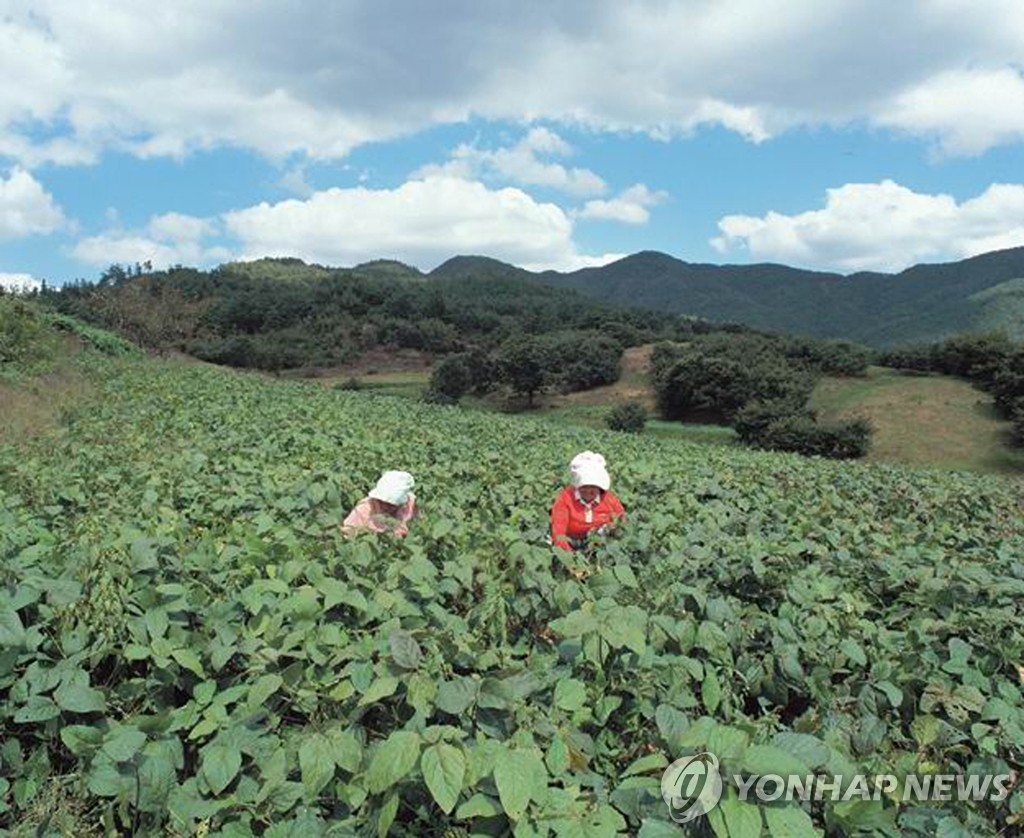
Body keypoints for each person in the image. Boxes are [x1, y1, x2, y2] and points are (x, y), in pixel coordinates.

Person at [550, 451, 625, 551]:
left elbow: (622, 519)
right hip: (571, 541)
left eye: (593, 487)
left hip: (600, 542)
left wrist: (612, 527)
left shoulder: (609, 498)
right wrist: (570, 560)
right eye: (584, 486)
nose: (588, 491)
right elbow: (559, 533)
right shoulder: (565, 498)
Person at [341, 470, 417, 537]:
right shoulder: (364, 509)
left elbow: (415, 524)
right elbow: (346, 532)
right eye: (381, 502)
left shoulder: (409, 505)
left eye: (391, 505)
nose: (385, 506)